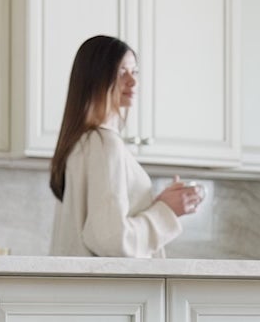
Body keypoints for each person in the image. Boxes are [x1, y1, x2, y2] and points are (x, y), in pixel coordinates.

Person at [48, 35, 201, 257]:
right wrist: (166, 211)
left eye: (134, 71)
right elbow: (110, 239)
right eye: (121, 72)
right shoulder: (104, 143)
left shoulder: (83, 142)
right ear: (95, 79)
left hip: (83, 290)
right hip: (108, 292)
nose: (133, 81)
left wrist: (157, 204)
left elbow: (105, 228)